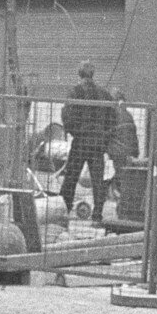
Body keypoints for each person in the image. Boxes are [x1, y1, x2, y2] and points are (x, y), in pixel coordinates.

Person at [60, 60, 115, 222]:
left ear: (79, 74)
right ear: (93, 74)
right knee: (98, 181)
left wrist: (74, 131)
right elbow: (112, 118)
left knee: (71, 177)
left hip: (81, 141)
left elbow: (67, 115)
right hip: (97, 143)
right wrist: (104, 136)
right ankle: (97, 214)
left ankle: (64, 209)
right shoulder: (104, 94)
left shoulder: (75, 92)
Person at [106, 88, 139, 183]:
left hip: (118, 152)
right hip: (132, 151)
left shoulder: (113, 114)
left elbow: (107, 134)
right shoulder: (128, 115)